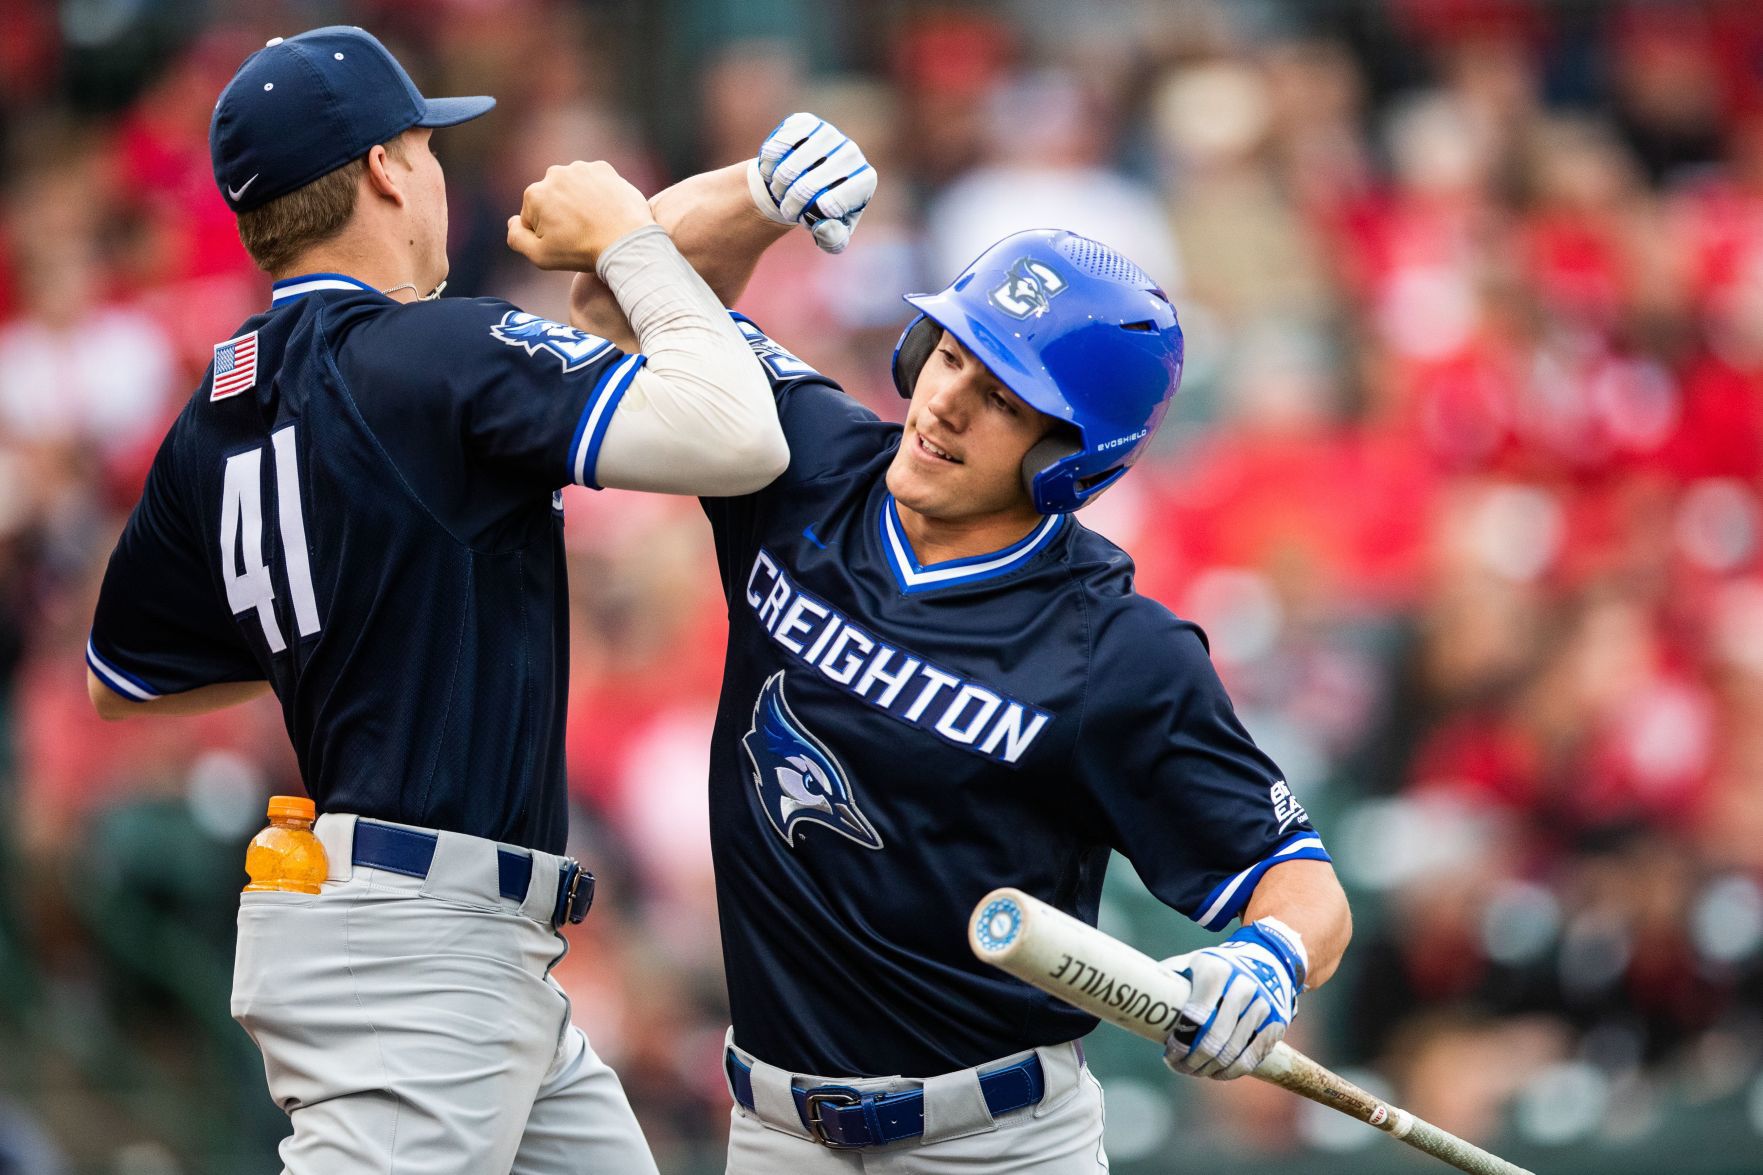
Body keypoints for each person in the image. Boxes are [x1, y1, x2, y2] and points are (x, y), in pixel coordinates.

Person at [81, 27, 873, 1175]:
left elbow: (126, 681)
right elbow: (734, 432)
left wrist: (749, 195)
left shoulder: (219, 406)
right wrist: (642, 234)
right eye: (426, 142)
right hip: (417, 949)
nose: (441, 171)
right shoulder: (426, 353)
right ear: (387, 168)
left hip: (443, 942)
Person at [573, 116, 1352, 1172]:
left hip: (990, 1144)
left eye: (999, 396)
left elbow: (1295, 875)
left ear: (1069, 455)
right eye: (948, 352)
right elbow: (618, 294)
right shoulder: (801, 461)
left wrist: (1268, 958)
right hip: (767, 1130)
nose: (941, 402)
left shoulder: (1116, 649)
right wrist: (755, 195)